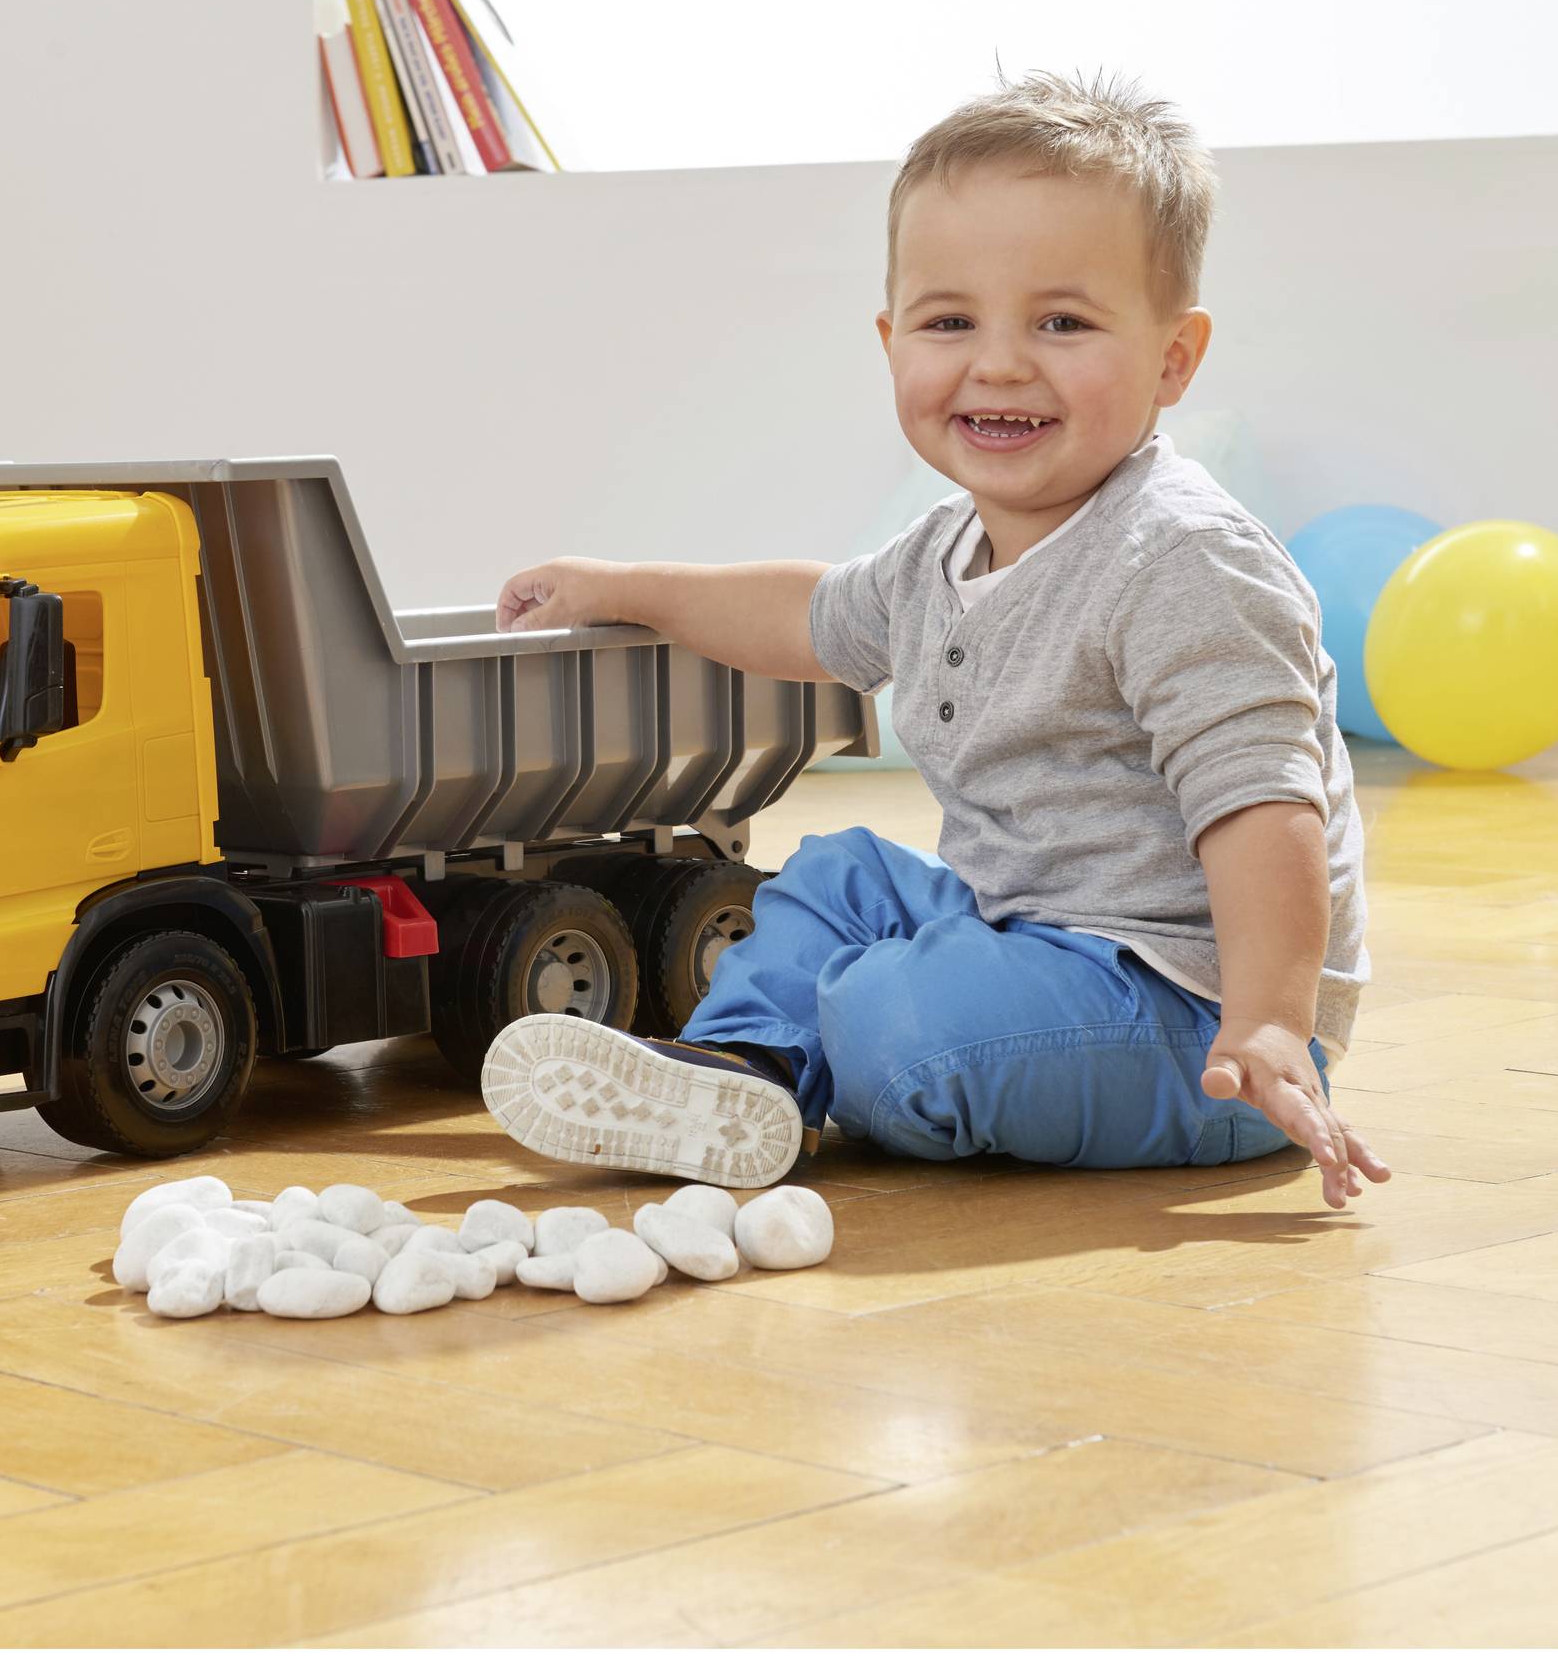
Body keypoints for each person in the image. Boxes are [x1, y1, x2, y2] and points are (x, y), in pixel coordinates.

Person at [481, 71, 1390, 1209]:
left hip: (1188, 1019)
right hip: (1029, 939)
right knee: (835, 876)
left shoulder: (1183, 561)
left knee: (892, 1018)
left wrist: (1268, 1026)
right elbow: (810, 617)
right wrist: (624, 585)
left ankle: (837, 1043)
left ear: (1173, 357)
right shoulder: (945, 550)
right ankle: (746, 1072)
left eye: (1062, 323)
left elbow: (1265, 811)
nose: (1001, 362)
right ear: (891, 339)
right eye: (951, 321)